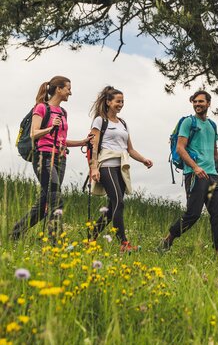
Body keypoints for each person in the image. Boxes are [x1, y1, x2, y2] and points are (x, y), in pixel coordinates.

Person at [11, 76, 91, 242]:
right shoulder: (41, 108)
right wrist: (50, 128)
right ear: (58, 89)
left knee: (44, 203)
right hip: (43, 157)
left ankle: (16, 233)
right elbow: (34, 133)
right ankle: (54, 243)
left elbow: (61, 140)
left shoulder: (63, 112)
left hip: (60, 159)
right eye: (68, 88)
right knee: (56, 199)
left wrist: (82, 142)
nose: (70, 92)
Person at [159, 90, 218, 252]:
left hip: (213, 176)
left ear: (208, 103)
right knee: (193, 214)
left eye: (201, 101)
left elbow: (215, 154)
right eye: (195, 102)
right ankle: (168, 239)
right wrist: (195, 168)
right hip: (195, 174)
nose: (197, 104)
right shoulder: (188, 122)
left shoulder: (212, 125)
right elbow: (180, 148)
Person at [87, 86, 153, 252]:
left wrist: (143, 159)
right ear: (108, 102)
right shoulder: (100, 121)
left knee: (111, 208)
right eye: (118, 101)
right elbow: (94, 146)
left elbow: (129, 149)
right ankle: (124, 244)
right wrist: (94, 168)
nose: (121, 104)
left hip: (121, 167)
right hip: (107, 165)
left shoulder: (123, 123)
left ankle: (91, 238)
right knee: (119, 201)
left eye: (122, 101)